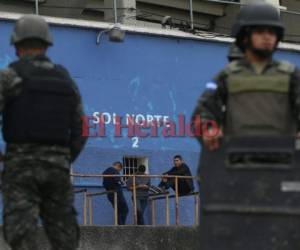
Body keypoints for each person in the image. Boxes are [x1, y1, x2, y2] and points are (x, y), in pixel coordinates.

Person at [192, 3, 300, 250]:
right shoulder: (226, 77)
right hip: (239, 170)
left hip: (282, 169)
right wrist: (209, 129)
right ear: (245, 35)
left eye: (272, 32)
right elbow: (203, 112)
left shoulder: (291, 76)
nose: (267, 37)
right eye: (260, 31)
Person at [0, 15, 87, 250]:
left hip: (20, 168)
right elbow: (83, 128)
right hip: (58, 169)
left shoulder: (9, 76)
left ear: (16, 46)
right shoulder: (66, 80)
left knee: (20, 232)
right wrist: (64, 157)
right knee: (64, 236)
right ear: (47, 45)